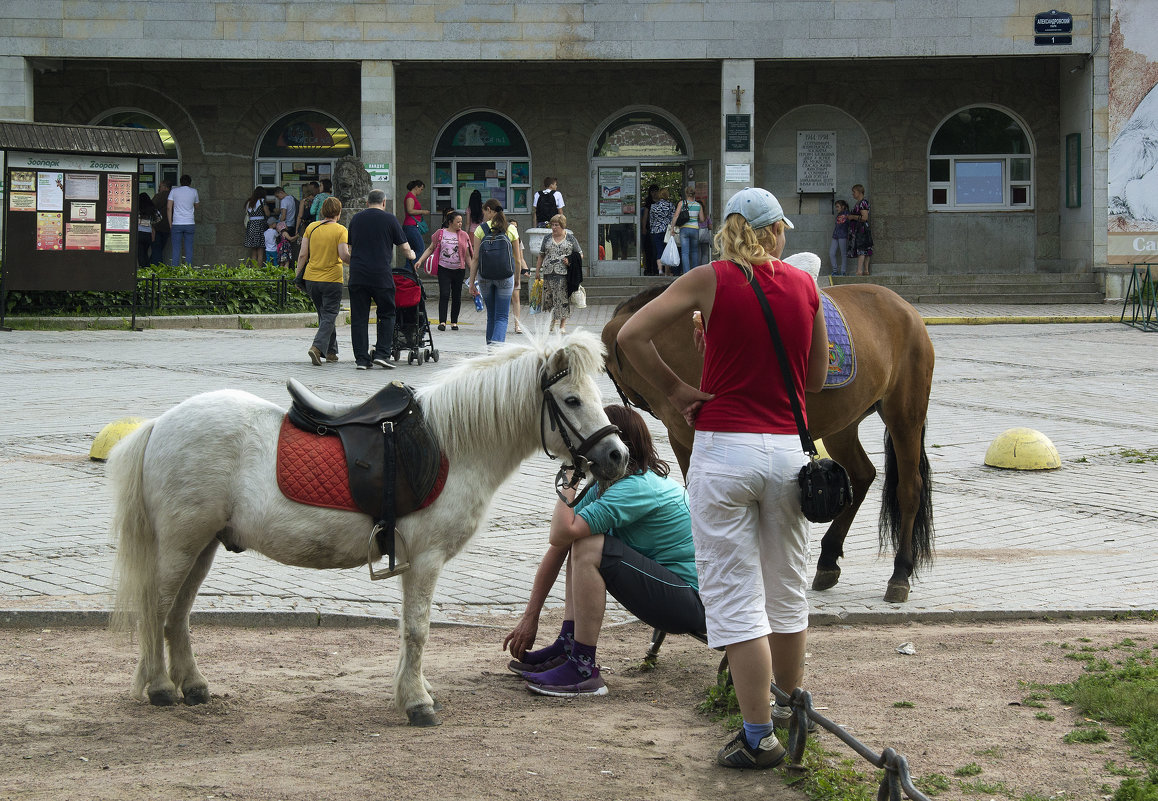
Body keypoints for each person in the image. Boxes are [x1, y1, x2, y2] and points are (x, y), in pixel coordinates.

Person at [617, 187, 828, 771]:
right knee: (786, 589)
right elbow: (812, 377)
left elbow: (631, 335)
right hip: (788, 452)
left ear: (730, 228)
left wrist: (676, 390)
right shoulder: (805, 285)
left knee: (735, 596)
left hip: (724, 453)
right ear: (775, 232)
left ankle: (758, 734)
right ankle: (787, 711)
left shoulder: (709, 280)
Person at [504, 404, 705, 697]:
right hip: (674, 595)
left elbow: (562, 530)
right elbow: (559, 543)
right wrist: (530, 616)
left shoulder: (635, 489)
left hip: (692, 603)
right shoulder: (609, 486)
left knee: (588, 544)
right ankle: (569, 647)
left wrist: (570, 477)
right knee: (580, 540)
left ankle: (583, 669)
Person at [346, 189, 414, 370]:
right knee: (387, 313)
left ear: (367, 203)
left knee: (359, 318)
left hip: (358, 275)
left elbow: (350, 249)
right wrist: (412, 255)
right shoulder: (390, 219)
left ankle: (361, 360)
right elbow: (405, 248)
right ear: (384, 202)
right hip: (381, 276)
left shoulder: (356, 219)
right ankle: (382, 354)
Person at [296, 196, 350, 366]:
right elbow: (343, 255)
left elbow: (303, 254)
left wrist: (298, 276)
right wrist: (360, 261)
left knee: (324, 315)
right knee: (329, 315)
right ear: (338, 212)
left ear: (322, 211)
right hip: (332, 279)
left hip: (311, 279)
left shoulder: (311, 227)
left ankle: (331, 351)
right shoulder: (341, 230)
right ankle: (317, 347)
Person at [468, 198, 525, 346]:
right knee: (501, 317)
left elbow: (475, 258)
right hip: (506, 277)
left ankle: (490, 350)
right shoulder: (511, 229)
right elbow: (518, 260)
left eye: (484, 211)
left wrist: (472, 281)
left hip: (485, 277)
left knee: (491, 316)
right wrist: (517, 279)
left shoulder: (480, 229)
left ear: (489, 210)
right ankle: (496, 351)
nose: (483, 214)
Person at [415, 209, 473, 332]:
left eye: (461, 222)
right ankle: (442, 321)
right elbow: (431, 248)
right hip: (444, 269)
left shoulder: (464, 235)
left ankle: (454, 322)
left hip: (459, 269)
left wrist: (473, 272)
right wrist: (420, 261)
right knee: (444, 294)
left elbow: (467, 256)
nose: (460, 224)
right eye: (458, 222)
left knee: (456, 296)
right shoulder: (440, 233)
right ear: (450, 222)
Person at [535, 213, 582, 334]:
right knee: (549, 299)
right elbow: (541, 255)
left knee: (562, 299)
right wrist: (537, 271)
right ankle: (552, 320)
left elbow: (580, 254)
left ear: (562, 226)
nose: (554, 227)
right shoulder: (547, 238)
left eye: (556, 225)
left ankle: (562, 324)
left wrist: (569, 260)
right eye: (552, 225)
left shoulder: (570, 238)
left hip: (563, 273)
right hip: (548, 272)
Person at [167, 174, 199, 266]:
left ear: (180, 182)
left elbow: (169, 208)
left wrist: (170, 223)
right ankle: (188, 271)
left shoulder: (174, 191)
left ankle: (175, 272)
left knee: (176, 249)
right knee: (189, 248)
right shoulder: (194, 191)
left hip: (177, 223)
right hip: (190, 223)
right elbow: (197, 206)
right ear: (190, 183)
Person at [673, 185, 704, 277]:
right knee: (694, 252)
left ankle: (686, 274)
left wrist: (672, 229)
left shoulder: (682, 203)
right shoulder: (698, 205)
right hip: (695, 230)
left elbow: (676, 216)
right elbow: (702, 219)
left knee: (685, 252)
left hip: (684, 229)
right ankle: (695, 273)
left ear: (686, 193)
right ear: (694, 194)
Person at [402, 179, 429, 271]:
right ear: (416, 187)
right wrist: (423, 211)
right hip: (411, 226)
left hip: (411, 226)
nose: (421, 191)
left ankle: (408, 271)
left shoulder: (411, 196)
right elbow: (410, 210)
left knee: (412, 251)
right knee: (420, 248)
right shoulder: (410, 197)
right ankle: (410, 269)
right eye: (421, 189)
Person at [648, 187, 675, 276]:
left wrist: (652, 228)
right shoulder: (670, 205)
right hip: (667, 230)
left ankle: (660, 270)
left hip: (656, 230)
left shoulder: (654, 206)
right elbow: (673, 218)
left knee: (659, 250)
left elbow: (651, 220)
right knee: (667, 250)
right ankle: (667, 271)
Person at [848, 184, 872, 276]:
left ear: (859, 192)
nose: (853, 194)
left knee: (862, 249)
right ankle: (865, 270)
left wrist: (852, 216)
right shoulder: (859, 203)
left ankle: (860, 271)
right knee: (865, 248)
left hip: (862, 229)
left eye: (854, 192)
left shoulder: (863, 203)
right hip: (859, 228)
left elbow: (864, 217)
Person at [243, 186, 269, 265]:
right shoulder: (262, 201)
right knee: (260, 252)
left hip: (251, 226)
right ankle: (259, 271)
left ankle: (253, 271)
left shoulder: (249, 202)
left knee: (253, 252)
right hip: (259, 226)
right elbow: (267, 213)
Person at [640, 184, 659, 276]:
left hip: (659, 229)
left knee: (657, 250)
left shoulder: (661, 202)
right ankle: (649, 268)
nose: (654, 193)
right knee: (648, 250)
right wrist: (643, 227)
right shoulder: (648, 203)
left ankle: (657, 269)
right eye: (653, 191)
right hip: (649, 229)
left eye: (656, 191)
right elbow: (645, 216)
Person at [150, 181, 170, 265]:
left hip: (157, 227)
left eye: (160, 186)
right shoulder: (173, 196)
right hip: (167, 227)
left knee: (156, 248)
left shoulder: (159, 196)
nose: (158, 189)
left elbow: (151, 207)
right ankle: (152, 265)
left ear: (165, 187)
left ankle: (156, 268)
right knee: (159, 249)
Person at [830, 199, 850, 276]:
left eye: (838, 207)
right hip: (835, 235)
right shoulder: (838, 215)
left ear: (843, 207)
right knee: (831, 253)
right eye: (836, 207)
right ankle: (835, 270)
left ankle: (843, 271)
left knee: (843, 254)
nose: (836, 208)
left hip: (843, 236)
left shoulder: (847, 214)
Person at [136, 192, 156, 270]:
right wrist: (151, 222)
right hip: (148, 234)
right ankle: (147, 269)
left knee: (140, 254)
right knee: (145, 253)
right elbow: (159, 218)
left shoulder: (137, 209)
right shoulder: (151, 209)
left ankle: (143, 271)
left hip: (139, 233)